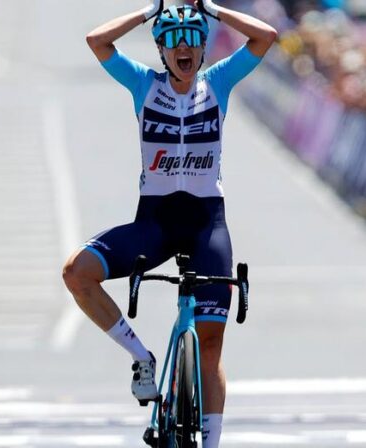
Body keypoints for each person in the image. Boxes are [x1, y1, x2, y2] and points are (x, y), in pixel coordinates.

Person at [62, 1, 276, 446]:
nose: (184, 48)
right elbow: (97, 41)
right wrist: (150, 12)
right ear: (161, 49)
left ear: (203, 48)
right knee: (76, 273)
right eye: (175, 41)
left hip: (206, 225)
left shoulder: (218, 82)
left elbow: (265, 37)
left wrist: (212, 9)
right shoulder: (144, 84)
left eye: (193, 40)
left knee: (211, 345)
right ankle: (142, 357)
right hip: (155, 224)